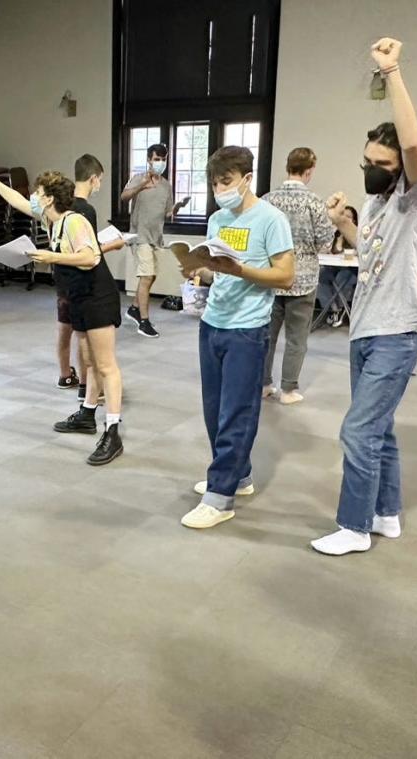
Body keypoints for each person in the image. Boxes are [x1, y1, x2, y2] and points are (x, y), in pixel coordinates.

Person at [311, 38, 417, 556]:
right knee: (380, 431)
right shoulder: (379, 199)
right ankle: (386, 514)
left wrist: (392, 72)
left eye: (381, 162)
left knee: (357, 431)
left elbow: (411, 145)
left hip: (396, 332)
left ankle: (354, 526)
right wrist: (346, 223)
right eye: (367, 160)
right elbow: (375, 255)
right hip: (365, 328)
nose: (372, 168)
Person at [179, 146, 295, 530]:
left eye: (226, 181)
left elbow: (285, 276)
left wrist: (240, 269)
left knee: (237, 411)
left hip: (248, 328)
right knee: (214, 409)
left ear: (247, 178)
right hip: (213, 321)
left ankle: (220, 496)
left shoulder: (271, 219)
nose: (219, 189)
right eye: (214, 182)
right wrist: (199, 271)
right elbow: (219, 272)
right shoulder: (216, 219)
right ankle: (239, 475)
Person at [0, 167, 125, 465]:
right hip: (79, 298)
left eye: (37, 193)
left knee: (106, 365)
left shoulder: (74, 221)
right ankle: (87, 415)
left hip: (98, 298)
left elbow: (90, 257)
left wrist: (51, 257)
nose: (33, 197)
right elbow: (17, 201)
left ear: (48, 199)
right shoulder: (50, 219)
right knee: (90, 361)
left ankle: (113, 431)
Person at [261, 147, 334, 405]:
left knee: (267, 336)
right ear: (309, 170)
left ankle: (264, 384)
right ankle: (289, 389)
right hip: (302, 280)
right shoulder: (314, 202)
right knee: (296, 338)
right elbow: (326, 241)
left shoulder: (267, 200)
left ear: (287, 167)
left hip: (271, 277)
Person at [71, 153, 126, 404]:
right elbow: (89, 253)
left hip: (78, 289)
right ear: (93, 179)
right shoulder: (84, 209)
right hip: (92, 290)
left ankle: (89, 405)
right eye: (100, 180)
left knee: (92, 359)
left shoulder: (67, 208)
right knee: (99, 362)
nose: (99, 186)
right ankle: (94, 408)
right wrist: (113, 245)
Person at [120, 144, 190, 338]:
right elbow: (124, 197)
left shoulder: (167, 185)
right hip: (139, 235)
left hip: (156, 237)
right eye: (156, 159)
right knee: (147, 276)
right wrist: (142, 185)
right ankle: (144, 321)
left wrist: (176, 208)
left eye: (163, 159)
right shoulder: (138, 178)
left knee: (152, 276)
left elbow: (167, 212)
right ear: (149, 160)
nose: (160, 162)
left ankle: (134, 308)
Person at [317, 205, 359, 327]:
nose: (345, 218)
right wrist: (339, 240)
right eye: (343, 215)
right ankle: (332, 309)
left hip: (352, 269)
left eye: (348, 217)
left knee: (342, 277)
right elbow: (333, 251)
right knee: (322, 276)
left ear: (354, 220)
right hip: (335, 267)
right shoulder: (335, 234)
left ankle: (340, 309)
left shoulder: (357, 234)